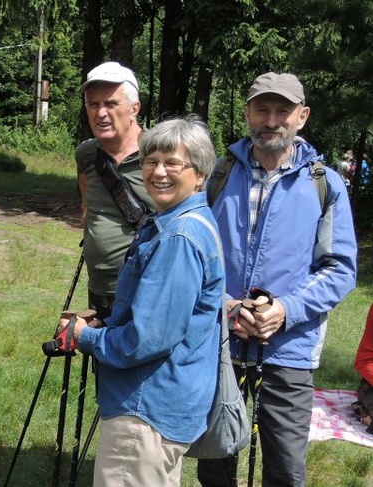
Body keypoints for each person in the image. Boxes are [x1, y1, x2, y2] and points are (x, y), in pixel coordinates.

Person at [198, 72, 357, 486]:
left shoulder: (326, 185)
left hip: (291, 349)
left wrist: (285, 309)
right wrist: (227, 307)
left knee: (286, 469)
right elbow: (196, 259)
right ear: (248, 113)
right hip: (220, 342)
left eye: (282, 110)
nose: (272, 121)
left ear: (301, 117)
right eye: (262, 109)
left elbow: (340, 269)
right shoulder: (219, 174)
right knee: (214, 462)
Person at [58, 116, 224, 486]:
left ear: (199, 174)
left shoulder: (178, 237)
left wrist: (86, 336)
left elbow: (146, 339)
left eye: (172, 163)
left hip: (147, 409)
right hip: (167, 400)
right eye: (150, 161)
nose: (158, 172)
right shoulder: (188, 220)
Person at [75, 61, 155, 321]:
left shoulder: (161, 155)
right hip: (99, 290)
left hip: (149, 290)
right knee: (102, 358)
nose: (101, 113)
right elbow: (87, 207)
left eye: (111, 103)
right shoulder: (87, 155)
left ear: (134, 109)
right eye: (93, 104)